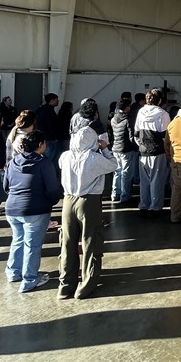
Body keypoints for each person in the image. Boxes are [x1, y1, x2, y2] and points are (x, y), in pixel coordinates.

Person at [58, 126, 117, 299]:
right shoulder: (94, 158)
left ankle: (65, 285)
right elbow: (114, 165)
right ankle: (87, 284)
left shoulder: (65, 156)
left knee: (68, 243)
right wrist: (104, 148)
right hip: (88, 201)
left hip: (68, 201)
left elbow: (62, 164)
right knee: (91, 241)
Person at [3, 130, 63, 292]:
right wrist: (51, 201)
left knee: (18, 240)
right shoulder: (44, 164)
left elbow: (6, 186)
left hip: (12, 209)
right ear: (40, 145)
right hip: (35, 210)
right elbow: (52, 189)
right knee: (32, 245)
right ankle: (30, 279)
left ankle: (13, 272)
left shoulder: (14, 161)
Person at [134, 88, 171, 215]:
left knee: (144, 181)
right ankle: (155, 207)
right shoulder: (163, 114)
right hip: (158, 151)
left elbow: (136, 133)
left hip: (143, 150)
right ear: (160, 100)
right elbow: (166, 136)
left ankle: (143, 205)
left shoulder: (141, 112)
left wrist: (141, 145)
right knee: (157, 180)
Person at [110, 96, 138, 204]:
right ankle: (125, 196)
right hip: (126, 149)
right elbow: (131, 136)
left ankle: (115, 194)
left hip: (115, 148)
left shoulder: (113, 119)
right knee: (126, 173)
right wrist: (136, 147)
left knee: (117, 172)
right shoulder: (127, 119)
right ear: (126, 107)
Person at [35, 93, 59, 162]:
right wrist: (54, 136)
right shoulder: (49, 111)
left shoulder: (40, 109)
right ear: (52, 100)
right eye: (56, 100)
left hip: (40, 135)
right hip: (49, 137)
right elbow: (50, 125)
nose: (58, 101)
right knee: (49, 156)